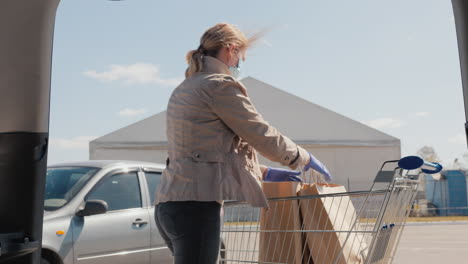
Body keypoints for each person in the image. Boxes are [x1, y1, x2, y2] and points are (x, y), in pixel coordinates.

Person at [154, 23, 332, 264]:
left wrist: (265, 172)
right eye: (242, 57)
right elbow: (260, 133)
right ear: (230, 50)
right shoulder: (219, 85)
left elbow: (205, 153)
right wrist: (303, 157)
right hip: (197, 206)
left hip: (169, 205)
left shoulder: (185, 88)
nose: (240, 64)